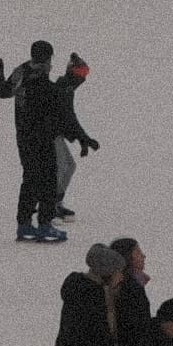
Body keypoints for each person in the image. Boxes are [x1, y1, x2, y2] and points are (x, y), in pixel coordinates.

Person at [0, 40, 65, 244]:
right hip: (42, 136)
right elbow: (52, 103)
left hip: (23, 136)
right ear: (49, 56)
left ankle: (24, 224)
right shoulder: (42, 76)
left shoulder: (22, 71)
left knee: (30, 178)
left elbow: (2, 91)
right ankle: (45, 224)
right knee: (49, 177)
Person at [50, 52, 99, 220]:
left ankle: (56, 202)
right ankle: (49, 206)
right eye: (80, 73)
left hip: (56, 134)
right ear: (71, 72)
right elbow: (67, 117)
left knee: (69, 166)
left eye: (85, 74)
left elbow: (68, 118)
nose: (82, 78)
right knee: (61, 167)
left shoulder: (67, 88)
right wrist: (83, 138)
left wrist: (82, 139)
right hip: (48, 134)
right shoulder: (62, 87)